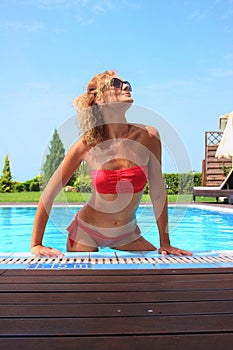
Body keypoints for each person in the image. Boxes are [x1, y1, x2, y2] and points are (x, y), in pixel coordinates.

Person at [31, 70, 192, 258]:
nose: (125, 86)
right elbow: (49, 192)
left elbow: (157, 191)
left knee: (150, 274)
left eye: (127, 84)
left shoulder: (148, 136)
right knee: (90, 285)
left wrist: (165, 242)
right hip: (85, 233)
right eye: (116, 83)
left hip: (126, 234)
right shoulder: (86, 145)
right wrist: (36, 244)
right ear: (99, 98)